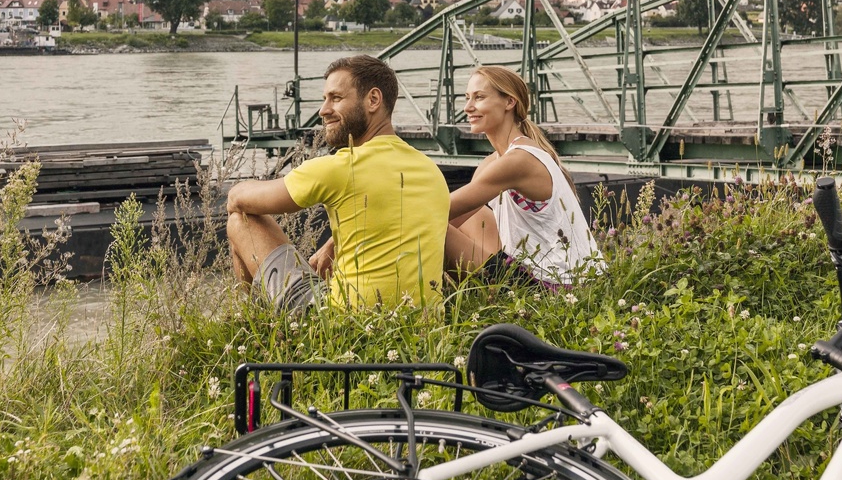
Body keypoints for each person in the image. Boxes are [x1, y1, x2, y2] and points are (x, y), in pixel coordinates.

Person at [226, 54, 451, 309]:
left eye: (336, 98)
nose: (323, 110)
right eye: (325, 99)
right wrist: (334, 243)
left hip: (342, 326)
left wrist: (236, 192)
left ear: (373, 100)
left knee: (241, 220)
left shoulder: (340, 167)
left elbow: (237, 199)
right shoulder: (430, 170)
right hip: (417, 328)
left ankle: (258, 321)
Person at [444, 66, 600, 288]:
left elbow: (438, 213)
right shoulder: (494, 162)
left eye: (479, 98)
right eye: (467, 98)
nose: (468, 107)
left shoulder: (518, 160)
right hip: (537, 270)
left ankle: (436, 301)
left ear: (509, 102)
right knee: (470, 216)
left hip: (555, 287)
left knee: (432, 228)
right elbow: (453, 215)